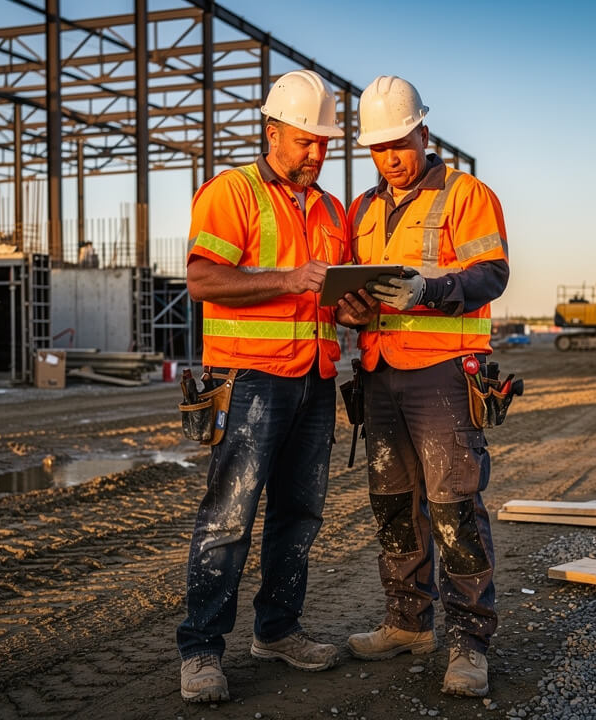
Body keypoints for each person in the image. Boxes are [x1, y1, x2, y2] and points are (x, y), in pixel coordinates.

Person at [176, 69, 372, 703]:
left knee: (300, 515)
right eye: (305, 141)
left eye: (323, 143)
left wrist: (354, 309)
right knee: (229, 518)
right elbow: (204, 282)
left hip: (315, 381)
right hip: (250, 380)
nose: (316, 154)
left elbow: (327, 294)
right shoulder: (229, 193)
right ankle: (202, 650)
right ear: (272, 131)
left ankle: (277, 630)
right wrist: (290, 279)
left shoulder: (332, 209)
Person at [339, 75, 509, 698]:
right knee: (393, 504)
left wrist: (430, 290)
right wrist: (351, 309)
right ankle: (408, 622)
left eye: (400, 144)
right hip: (380, 370)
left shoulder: (466, 196)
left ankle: (470, 642)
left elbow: (492, 274)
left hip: (442, 371)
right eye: (379, 148)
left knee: (454, 506)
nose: (391, 158)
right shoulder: (361, 207)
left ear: (424, 133)